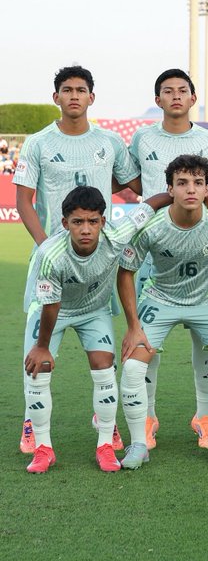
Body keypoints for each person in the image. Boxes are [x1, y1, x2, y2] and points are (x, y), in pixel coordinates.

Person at [14, 65, 140, 455]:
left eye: (80, 90)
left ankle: (105, 422)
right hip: (54, 261)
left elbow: (130, 182)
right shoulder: (37, 142)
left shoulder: (110, 142)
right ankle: (31, 423)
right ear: (56, 98)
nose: (73, 96)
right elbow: (23, 199)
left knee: (102, 358)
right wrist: (43, 245)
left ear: (91, 97)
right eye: (66, 90)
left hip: (95, 259)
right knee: (35, 351)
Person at [129, 68, 208, 452]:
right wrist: (158, 201)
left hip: (198, 251)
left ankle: (204, 417)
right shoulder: (141, 137)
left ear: (192, 98)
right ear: (158, 100)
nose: (176, 96)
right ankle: (147, 417)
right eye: (168, 91)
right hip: (154, 249)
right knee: (145, 347)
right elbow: (130, 180)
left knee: (207, 342)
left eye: (182, 90)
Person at [22, 185, 170, 473]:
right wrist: (41, 347)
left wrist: (188, 195)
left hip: (93, 311)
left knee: (104, 365)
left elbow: (151, 204)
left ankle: (104, 444)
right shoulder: (50, 254)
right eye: (78, 222)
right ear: (65, 224)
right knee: (38, 370)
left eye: (93, 221)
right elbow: (51, 305)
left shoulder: (116, 235)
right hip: (53, 310)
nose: (86, 229)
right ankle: (43, 448)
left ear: (104, 221)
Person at [117, 155, 208, 469]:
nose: (191, 189)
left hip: (206, 301)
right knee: (133, 368)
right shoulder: (151, 226)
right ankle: (138, 444)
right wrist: (133, 325)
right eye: (182, 183)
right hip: (159, 298)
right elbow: (125, 272)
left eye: (198, 183)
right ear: (170, 189)